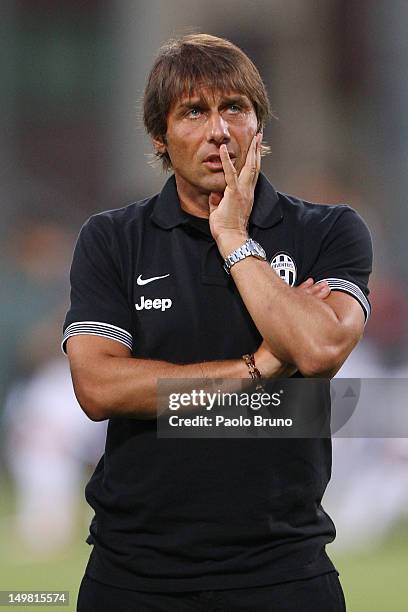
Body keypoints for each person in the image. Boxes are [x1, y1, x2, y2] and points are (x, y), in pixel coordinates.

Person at [63, 34, 372, 611]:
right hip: (134, 573)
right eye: (193, 112)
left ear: (259, 125)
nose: (219, 131)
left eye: (235, 107)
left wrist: (232, 237)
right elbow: (99, 387)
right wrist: (254, 368)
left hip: (284, 569)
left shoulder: (328, 230)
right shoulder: (112, 239)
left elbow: (319, 349)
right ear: (160, 135)